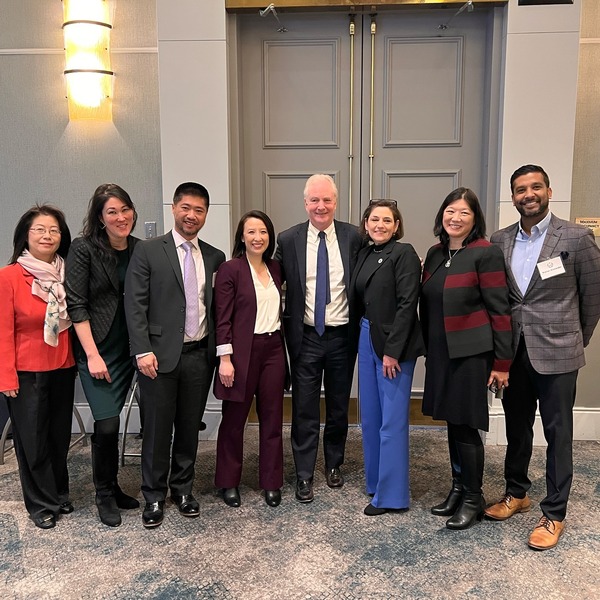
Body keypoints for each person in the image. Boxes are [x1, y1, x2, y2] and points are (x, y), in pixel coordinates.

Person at [486, 164, 600, 550]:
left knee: (558, 434)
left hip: (559, 354)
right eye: (520, 189)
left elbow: (593, 298)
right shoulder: (499, 241)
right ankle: (516, 493)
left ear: (549, 192)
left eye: (535, 187)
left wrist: (572, 340)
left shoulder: (577, 237)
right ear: (513, 197)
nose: (528, 194)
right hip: (513, 353)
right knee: (517, 428)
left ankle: (554, 513)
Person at [124, 182, 225, 528]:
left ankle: (182, 489)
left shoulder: (215, 256)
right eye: (186, 207)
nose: (191, 215)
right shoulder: (150, 250)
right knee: (156, 429)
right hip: (157, 357)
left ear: (206, 215)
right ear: (174, 208)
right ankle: (153, 495)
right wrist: (142, 350)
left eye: (198, 210)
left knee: (187, 427)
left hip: (199, 355)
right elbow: (134, 305)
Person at [421, 187, 512, 530]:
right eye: (450, 211)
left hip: (471, 353)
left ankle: (473, 497)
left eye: (464, 213)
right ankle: (458, 488)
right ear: (442, 214)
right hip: (441, 351)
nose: (455, 218)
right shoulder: (435, 253)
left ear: (475, 219)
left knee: (466, 425)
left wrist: (502, 363)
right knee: (451, 420)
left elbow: (500, 311)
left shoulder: (485, 253)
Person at [275, 173, 363, 503]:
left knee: (339, 406)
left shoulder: (354, 237)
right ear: (305, 203)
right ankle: (303, 473)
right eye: (314, 200)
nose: (320, 206)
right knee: (304, 408)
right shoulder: (288, 239)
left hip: (343, 336)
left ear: (335, 202)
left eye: (326, 200)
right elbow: (268, 280)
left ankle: (335, 464)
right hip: (306, 336)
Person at [65, 184, 140, 527]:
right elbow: (76, 304)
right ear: (100, 217)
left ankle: (114, 486)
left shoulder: (140, 249)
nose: (121, 217)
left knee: (115, 423)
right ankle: (104, 493)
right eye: (112, 211)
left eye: (125, 209)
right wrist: (92, 355)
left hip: (129, 349)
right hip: (98, 349)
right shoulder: (84, 249)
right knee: (107, 423)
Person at [0, 205, 76, 529]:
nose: (47, 235)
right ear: (25, 237)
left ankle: (58, 492)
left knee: (59, 435)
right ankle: (41, 502)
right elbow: (2, 330)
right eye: (39, 230)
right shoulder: (9, 277)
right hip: (26, 369)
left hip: (63, 364)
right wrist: (5, 375)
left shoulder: (68, 273)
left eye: (54, 230)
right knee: (32, 439)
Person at [350, 200, 425, 516]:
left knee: (391, 421)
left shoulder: (403, 253)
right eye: (374, 219)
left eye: (387, 220)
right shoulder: (365, 253)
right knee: (370, 418)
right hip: (366, 338)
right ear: (366, 223)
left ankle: (392, 496)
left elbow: (408, 304)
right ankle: (376, 482)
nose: (380, 225)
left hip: (394, 346)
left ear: (397, 225)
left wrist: (392, 352)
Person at [213, 211, 288, 508]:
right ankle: (228, 481)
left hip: (273, 350)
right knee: (234, 420)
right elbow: (223, 319)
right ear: (241, 236)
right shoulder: (231, 269)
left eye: (263, 232)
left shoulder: (276, 268)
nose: (258, 237)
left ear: (269, 237)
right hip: (241, 352)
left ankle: (271, 481)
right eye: (251, 232)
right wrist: (225, 358)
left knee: (272, 419)